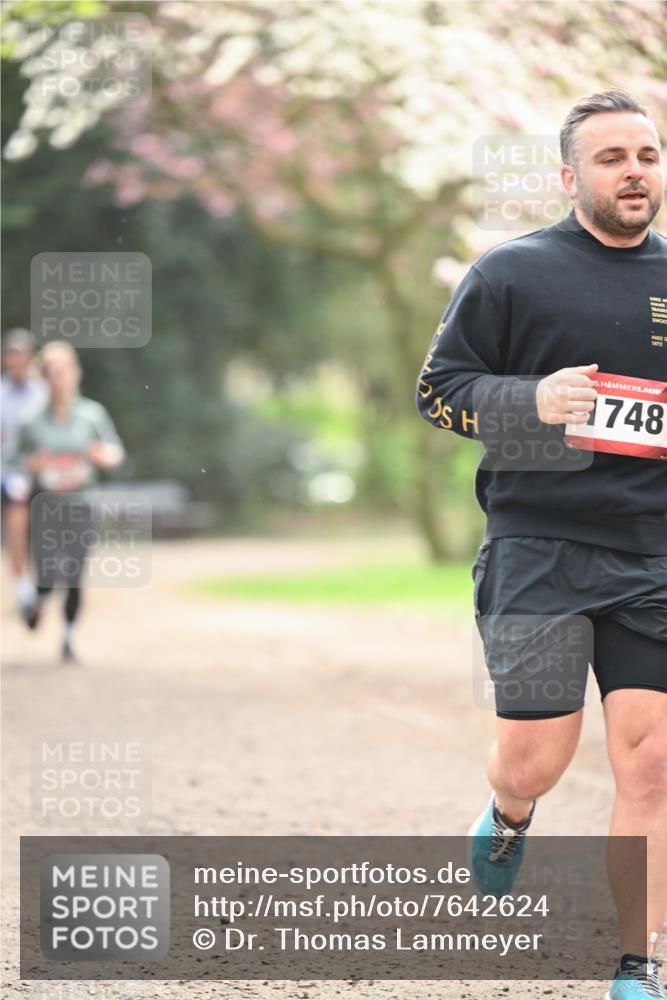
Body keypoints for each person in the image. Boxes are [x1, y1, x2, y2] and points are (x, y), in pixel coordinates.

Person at [416, 90, 666, 999]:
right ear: (569, 178)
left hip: (653, 550)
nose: (634, 171)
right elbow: (437, 392)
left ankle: (637, 962)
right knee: (536, 758)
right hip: (540, 543)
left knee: (651, 759)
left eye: (645, 154)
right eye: (611, 158)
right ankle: (509, 811)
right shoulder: (511, 274)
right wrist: (528, 402)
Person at [9, 340, 125, 662]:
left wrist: (101, 456)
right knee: (46, 573)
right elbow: (12, 460)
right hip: (45, 506)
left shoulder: (91, 415)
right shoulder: (31, 420)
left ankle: (69, 638)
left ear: (75, 374)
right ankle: (38, 601)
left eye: (63, 372)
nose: (58, 379)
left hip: (82, 503)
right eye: (51, 373)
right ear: (43, 378)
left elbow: (115, 451)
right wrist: (32, 464)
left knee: (74, 572)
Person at [1, 328, 48, 611]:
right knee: (17, 516)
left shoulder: (42, 393)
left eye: (20, 355)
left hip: (40, 472)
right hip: (9, 471)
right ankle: (21, 585)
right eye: (10, 355)